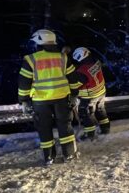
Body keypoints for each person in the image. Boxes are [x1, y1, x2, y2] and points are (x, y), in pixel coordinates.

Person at [18, 29, 82, 165]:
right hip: (62, 99)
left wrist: (24, 100)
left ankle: (49, 157)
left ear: (39, 43)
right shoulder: (63, 58)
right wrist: (74, 95)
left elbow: (24, 83)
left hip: (40, 101)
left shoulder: (30, 59)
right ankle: (69, 154)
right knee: (65, 126)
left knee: (44, 128)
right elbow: (73, 79)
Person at [72, 47, 110, 140]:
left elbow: (77, 84)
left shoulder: (82, 71)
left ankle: (90, 134)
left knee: (85, 113)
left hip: (89, 96)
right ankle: (105, 128)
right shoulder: (96, 62)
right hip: (101, 91)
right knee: (100, 110)